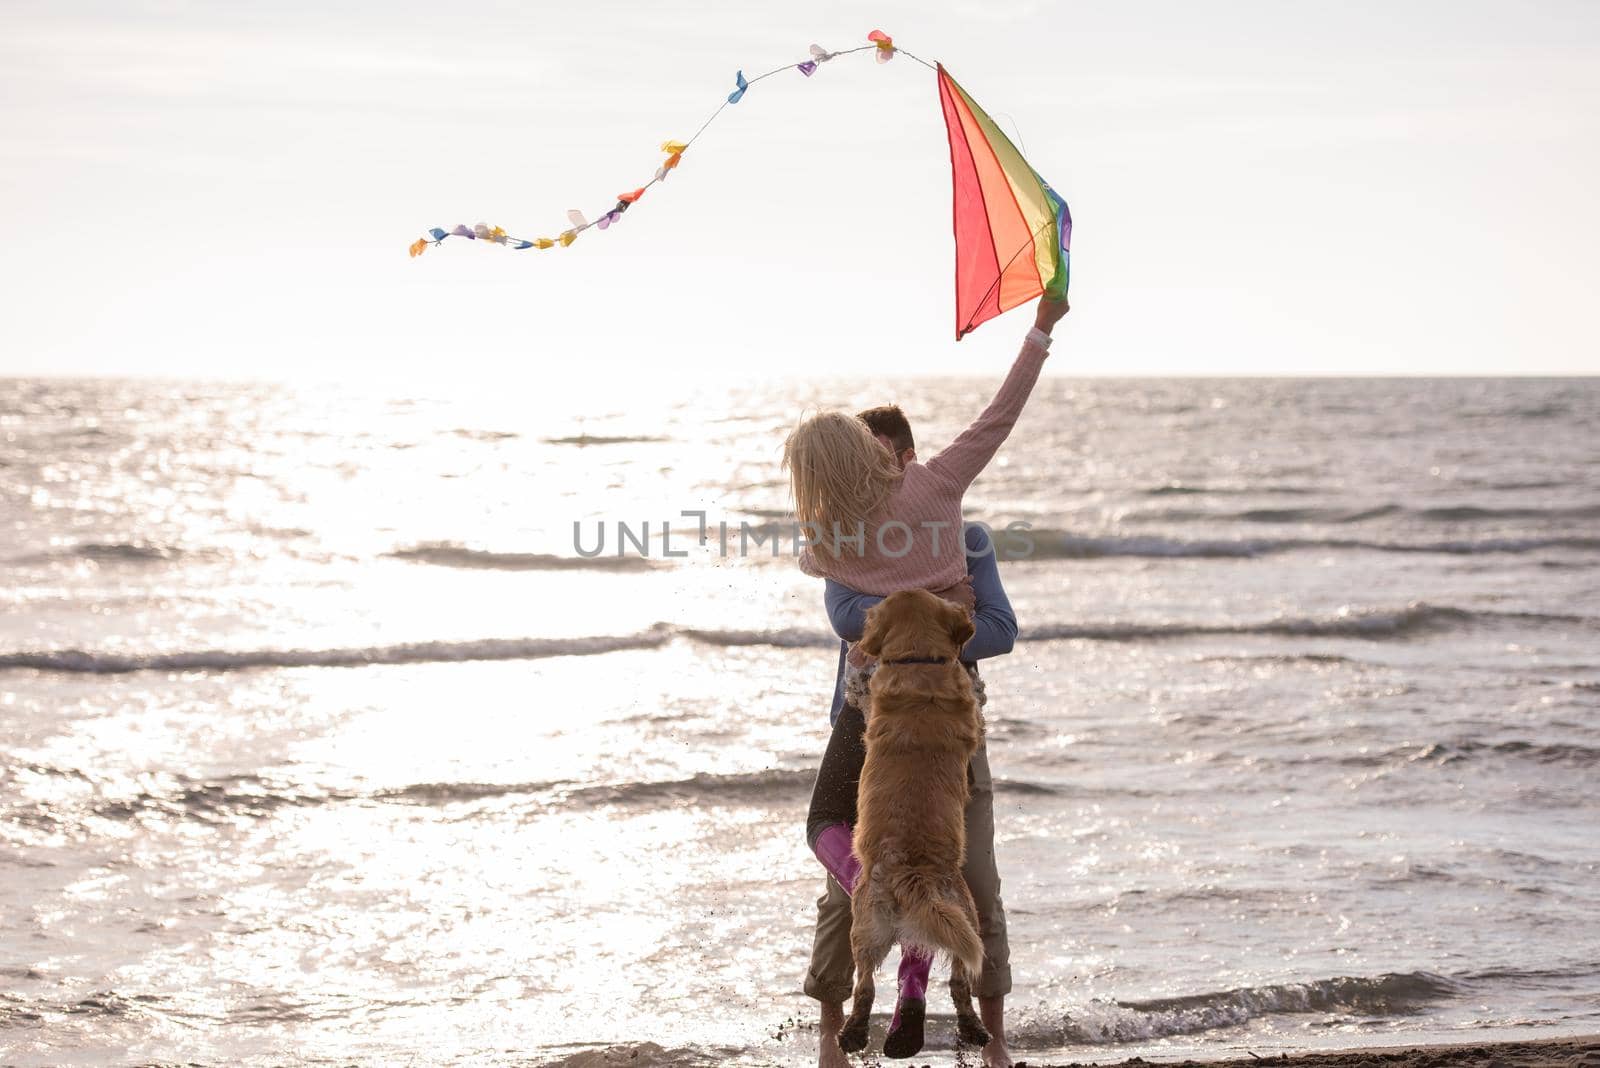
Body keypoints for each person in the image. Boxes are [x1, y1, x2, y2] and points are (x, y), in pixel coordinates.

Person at [804, 514, 1019, 1066]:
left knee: (976, 882)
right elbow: (845, 616)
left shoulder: (967, 539)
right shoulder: (850, 538)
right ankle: (834, 1045)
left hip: (951, 728)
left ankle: (992, 1044)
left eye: (887, 463)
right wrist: (937, 599)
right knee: (843, 896)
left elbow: (1000, 628)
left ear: (909, 461)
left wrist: (927, 610)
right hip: (865, 722)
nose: (879, 482)